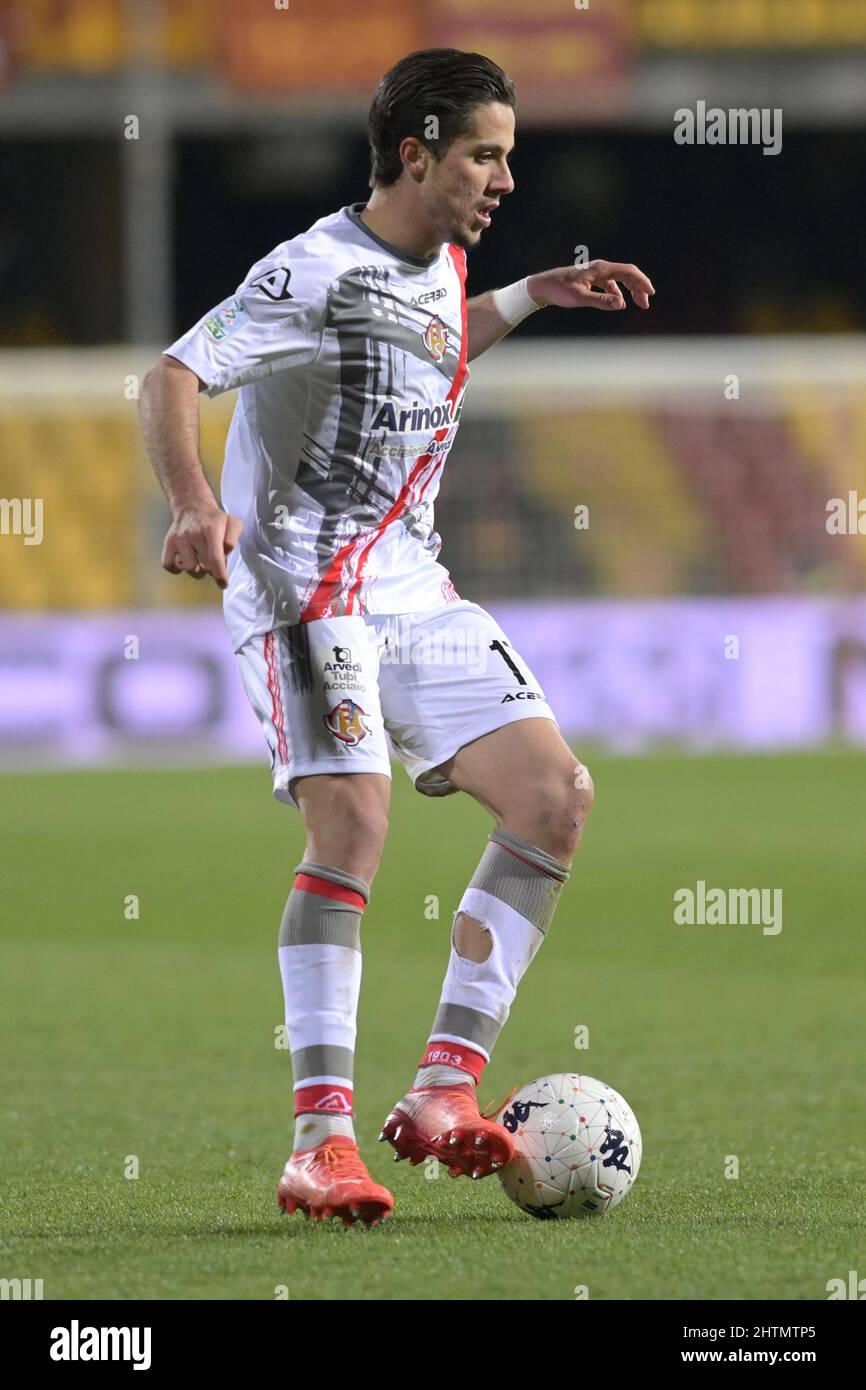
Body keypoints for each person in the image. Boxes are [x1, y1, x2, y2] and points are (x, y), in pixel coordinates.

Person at [139, 47, 654, 1229]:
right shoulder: (305, 271)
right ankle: (318, 1141)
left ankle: (439, 1093)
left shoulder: (440, 265)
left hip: (408, 588)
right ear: (414, 154)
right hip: (303, 585)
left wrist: (524, 298)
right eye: (485, 154)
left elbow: (424, 346)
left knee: (553, 796)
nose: (504, 177)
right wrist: (191, 503)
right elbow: (171, 375)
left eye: (508, 155)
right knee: (354, 818)